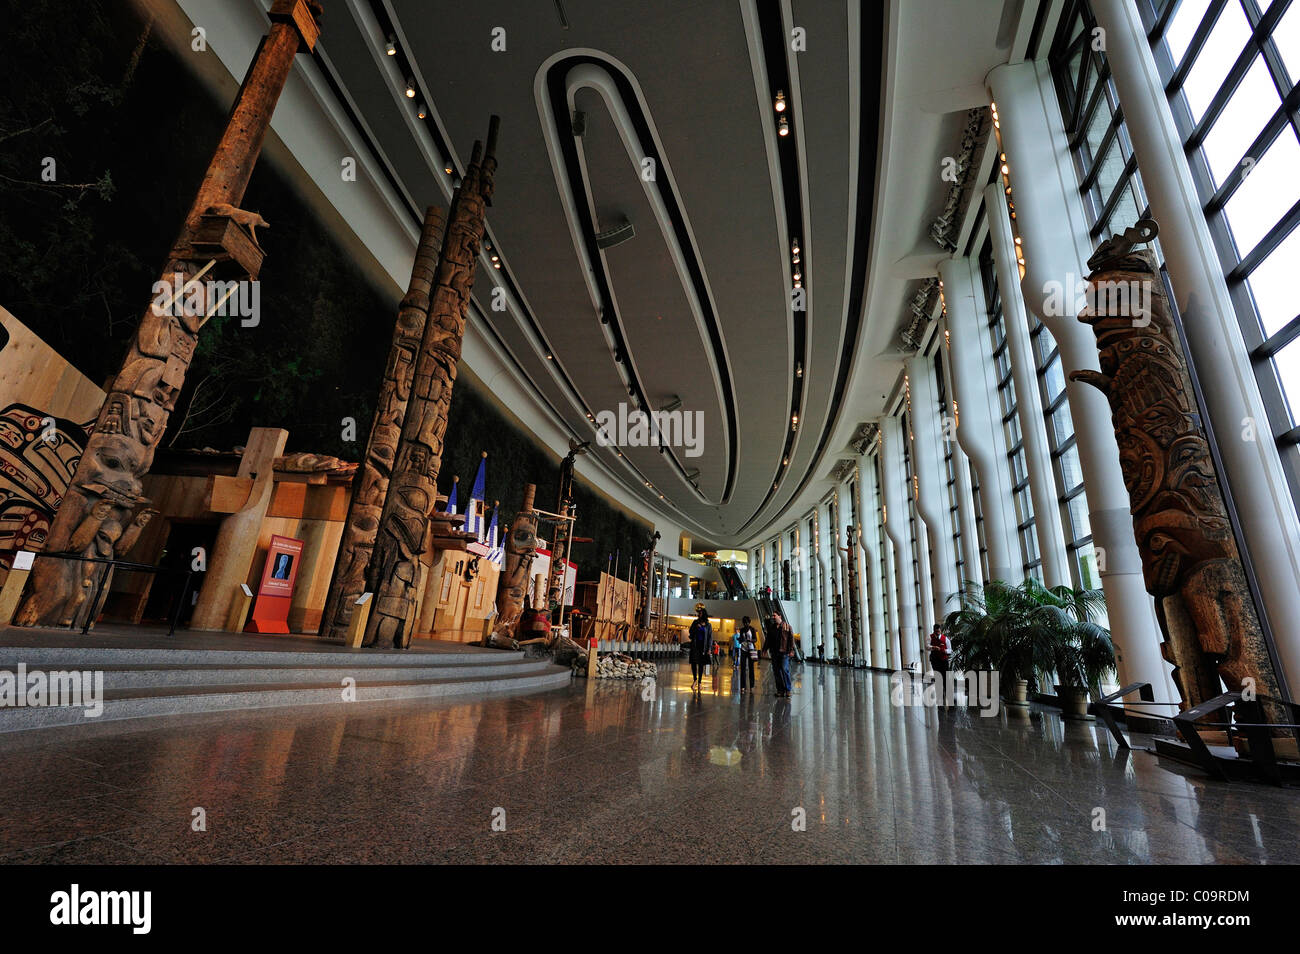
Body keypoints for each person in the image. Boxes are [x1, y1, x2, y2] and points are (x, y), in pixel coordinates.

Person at [766, 613, 794, 698]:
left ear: (779, 616)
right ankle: (780, 690)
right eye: (772, 616)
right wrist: (765, 648)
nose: (773, 617)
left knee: (784, 669)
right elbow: (768, 639)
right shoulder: (772, 627)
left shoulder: (787, 626)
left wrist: (791, 650)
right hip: (774, 652)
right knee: (776, 672)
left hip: (784, 652)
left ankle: (788, 690)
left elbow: (791, 638)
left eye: (774, 616)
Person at [688, 606, 713, 692]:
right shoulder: (695, 622)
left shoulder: (708, 625)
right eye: (699, 613)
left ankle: (699, 682)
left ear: (704, 614)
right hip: (695, 646)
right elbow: (690, 632)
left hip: (703, 647)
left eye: (701, 613)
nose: (699, 614)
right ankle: (695, 679)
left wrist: (709, 648)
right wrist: (696, 627)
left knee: (701, 664)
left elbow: (710, 637)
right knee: (694, 663)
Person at [928, 625, 951, 705]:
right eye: (936, 631)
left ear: (941, 630)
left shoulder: (945, 639)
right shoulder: (930, 637)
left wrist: (942, 650)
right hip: (935, 660)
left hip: (944, 660)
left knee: (945, 677)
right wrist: (933, 647)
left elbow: (950, 650)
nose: (937, 633)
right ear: (934, 630)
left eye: (938, 631)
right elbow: (927, 646)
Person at [737, 616, 758, 693]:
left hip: (751, 650)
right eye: (744, 622)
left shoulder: (752, 629)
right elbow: (741, 639)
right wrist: (740, 640)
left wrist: (750, 640)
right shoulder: (741, 630)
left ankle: (752, 686)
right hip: (743, 649)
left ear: (749, 622)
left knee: (751, 668)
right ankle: (743, 686)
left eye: (747, 622)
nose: (746, 624)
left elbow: (755, 639)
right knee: (742, 668)